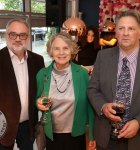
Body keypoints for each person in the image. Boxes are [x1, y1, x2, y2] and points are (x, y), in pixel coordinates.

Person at [88, 10, 140, 150]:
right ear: (116, 32)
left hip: (138, 139)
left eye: (131, 28)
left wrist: (139, 122)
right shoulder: (102, 57)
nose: (125, 33)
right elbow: (93, 89)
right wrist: (103, 106)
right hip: (105, 137)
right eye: (121, 28)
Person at [36, 32, 96, 150]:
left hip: (76, 134)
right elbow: (37, 100)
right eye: (57, 49)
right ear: (51, 52)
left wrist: (92, 135)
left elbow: (89, 106)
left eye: (65, 48)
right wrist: (38, 103)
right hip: (51, 134)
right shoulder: (42, 74)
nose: (61, 53)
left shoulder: (82, 74)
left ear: (72, 50)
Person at [0, 18, 44, 150]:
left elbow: (40, 90)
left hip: (28, 126)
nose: (18, 39)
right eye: (13, 34)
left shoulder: (37, 60)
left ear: (28, 37)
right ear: (5, 35)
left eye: (22, 35)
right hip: (3, 126)